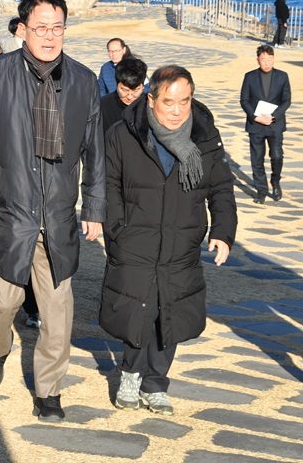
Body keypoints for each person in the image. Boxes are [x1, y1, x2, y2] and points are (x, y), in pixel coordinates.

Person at [0, 0, 105, 423]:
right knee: (3, 305)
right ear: (22, 29)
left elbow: (95, 149)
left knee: (58, 313)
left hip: (56, 218)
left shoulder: (84, 82)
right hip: (7, 212)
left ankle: (48, 391)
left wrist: (93, 206)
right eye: (40, 28)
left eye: (57, 28)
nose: (49, 37)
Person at [101, 65, 237, 415]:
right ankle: (130, 372)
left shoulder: (205, 137)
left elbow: (221, 187)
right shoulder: (123, 133)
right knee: (137, 308)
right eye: (168, 102)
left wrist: (222, 231)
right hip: (135, 237)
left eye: (185, 101)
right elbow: (109, 186)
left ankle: (156, 383)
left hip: (182, 238)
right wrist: (116, 230)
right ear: (151, 99)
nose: (177, 110)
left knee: (170, 311)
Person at [239, 44, 291, 204]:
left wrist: (273, 115)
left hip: (275, 124)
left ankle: (275, 181)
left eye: (270, 59)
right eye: (263, 60)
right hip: (256, 124)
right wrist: (255, 117)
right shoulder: (250, 77)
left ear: (273, 59)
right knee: (257, 159)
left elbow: (286, 100)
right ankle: (261, 190)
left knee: (276, 155)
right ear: (258, 60)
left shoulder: (282, 76)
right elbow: (244, 100)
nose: (267, 63)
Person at [101, 57, 148, 133]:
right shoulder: (102, 107)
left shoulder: (151, 106)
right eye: (124, 90)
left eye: (135, 90)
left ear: (143, 86)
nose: (129, 96)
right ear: (116, 84)